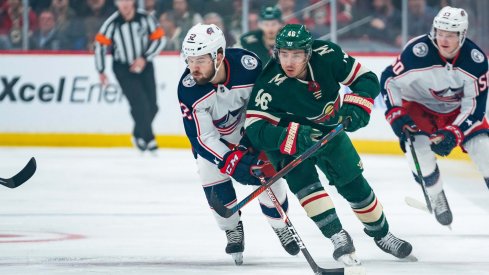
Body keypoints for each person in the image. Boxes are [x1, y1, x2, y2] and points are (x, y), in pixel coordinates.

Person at [244, 24, 413, 266]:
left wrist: (356, 105)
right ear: (276, 53)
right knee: (307, 187)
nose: (289, 62)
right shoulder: (269, 82)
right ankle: (337, 235)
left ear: (309, 53)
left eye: (297, 55)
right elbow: (255, 130)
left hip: (329, 130)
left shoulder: (328, 55)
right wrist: (291, 136)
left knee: (355, 184)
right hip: (288, 140)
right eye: (284, 54)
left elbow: (366, 78)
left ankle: (382, 234)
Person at [177, 23, 300, 265]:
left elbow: (265, 106)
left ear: (219, 56)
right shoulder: (189, 90)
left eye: (200, 60)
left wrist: (259, 140)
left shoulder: (248, 67)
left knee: (270, 178)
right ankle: (231, 228)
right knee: (215, 189)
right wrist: (231, 160)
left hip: (249, 134)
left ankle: (280, 225)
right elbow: (203, 138)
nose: (193, 68)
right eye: (190, 60)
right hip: (214, 145)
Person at [380, 6, 489, 227]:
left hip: (457, 112)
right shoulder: (417, 52)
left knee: (486, 151)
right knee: (419, 152)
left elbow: (475, 107)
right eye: (440, 32)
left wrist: (454, 133)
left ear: (462, 35)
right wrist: (395, 113)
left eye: (450, 34)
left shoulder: (476, 61)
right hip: (418, 107)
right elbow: (388, 79)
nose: (443, 39)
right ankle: (436, 194)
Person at [94, 0, 166, 152]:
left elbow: (160, 38)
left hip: (145, 66)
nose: (124, 4)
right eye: (121, 1)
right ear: (116, 4)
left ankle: (137, 134)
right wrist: (101, 70)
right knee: (139, 103)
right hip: (123, 68)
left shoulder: (146, 18)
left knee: (153, 106)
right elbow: (100, 45)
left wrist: (144, 58)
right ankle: (149, 139)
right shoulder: (112, 23)